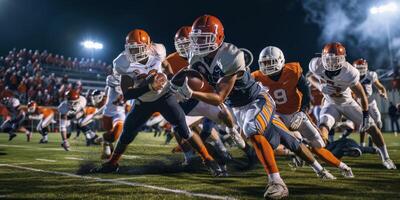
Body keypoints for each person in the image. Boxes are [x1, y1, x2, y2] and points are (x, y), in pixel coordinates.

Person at [173, 15, 288, 199]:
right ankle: (229, 146)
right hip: (233, 105)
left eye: (205, 38)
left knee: (254, 131)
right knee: (253, 138)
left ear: (218, 38)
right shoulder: (195, 56)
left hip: (253, 99)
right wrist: (178, 83)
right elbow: (204, 84)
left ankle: (277, 182)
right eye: (197, 38)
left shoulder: (232, 55)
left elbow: (218, 97)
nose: (200, 43)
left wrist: (190, 93)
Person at [91, 29, 224, 176]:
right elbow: (128, 94)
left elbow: (166, 65)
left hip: (164, 96)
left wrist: (173, 78)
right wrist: (148, 86)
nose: (134, 52)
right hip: (143, 102)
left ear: (148, 46)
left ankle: (208, 160)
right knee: (127, 133)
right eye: (131, 49)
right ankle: (112, 163)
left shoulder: (158, 50)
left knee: (184, 129)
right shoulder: (122, 62)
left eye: (138, 48)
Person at [252, 46, 353, 178]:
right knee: (273, 144)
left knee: (318, 145)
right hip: (277, 115)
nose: (268, 66)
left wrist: (302, 111)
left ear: (280, 60)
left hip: (296, 113)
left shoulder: (293, 71)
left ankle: (343, 166)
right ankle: (313, 165)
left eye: (271, 62)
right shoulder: (256, 77)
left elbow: (306, 93)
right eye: (264, 63)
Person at [308, 42, 396, 170]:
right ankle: (323, 155)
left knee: (373, 128)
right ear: (322, 57)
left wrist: (366, 116)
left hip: (348, 103)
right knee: (323, 126)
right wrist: (320, 86)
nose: (331, 63)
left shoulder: (350, 72)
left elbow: (361, 95)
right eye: (329, 59)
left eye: (335, 59)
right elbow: (310, 77)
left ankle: (386, 158)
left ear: (343, 59)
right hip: (330, 103)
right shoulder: (316, 64)